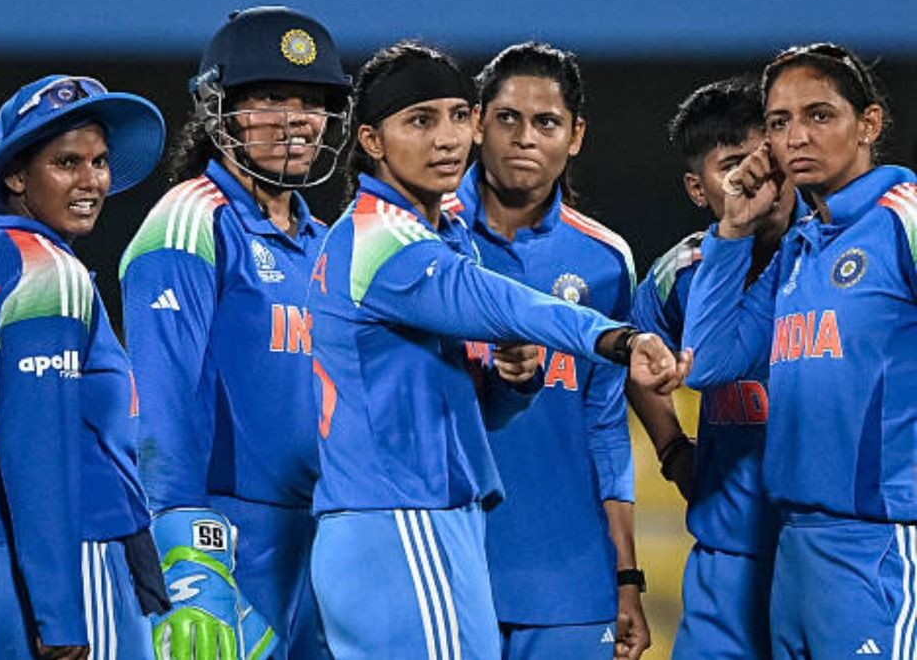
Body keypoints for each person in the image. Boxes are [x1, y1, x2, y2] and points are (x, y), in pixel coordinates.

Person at [306, 40, 691, 660]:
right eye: (421, 121)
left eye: (457, 116)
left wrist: (511, 380)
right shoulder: (381, 235)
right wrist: (616, 337)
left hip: (456, 527)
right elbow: (495, 300)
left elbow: (492, 404)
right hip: (403, 515)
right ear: (372, 140)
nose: (447, 139)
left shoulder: (443, 232)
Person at [119, 6, 352, 660]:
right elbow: (160, 402)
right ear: (217, 109)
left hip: (325, 540)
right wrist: (186, 553)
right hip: (230, 541)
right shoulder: (190, 219)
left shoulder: (333, 247)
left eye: (312, 101)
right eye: (269, 97)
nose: (295, 118)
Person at [681, 43, 917, 658]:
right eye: (781, 123)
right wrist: (731, 230)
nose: (797, 137)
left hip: (880, 545)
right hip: (795, 548)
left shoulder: (904, 220)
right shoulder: (800, 247)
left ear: (868, 124)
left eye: (820, 115)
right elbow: (708, 362)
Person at [0, 74, 168, 660]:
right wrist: (59, 612)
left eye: (98, 161)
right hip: (65, 562)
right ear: (16, 175)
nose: (90, 180)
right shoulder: (50, 275)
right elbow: (38, 450)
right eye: (67, 161)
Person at [450, 42, 647, 659]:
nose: (525, 138)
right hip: (445, 563)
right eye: (507, 118)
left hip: (569, 581)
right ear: (478, 123)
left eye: (547, 122)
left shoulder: (605, 261)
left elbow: (605, 425)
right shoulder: (418, 237)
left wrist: (626, 577)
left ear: (576, 135)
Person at [626, 76, 789, 659]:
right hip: (725, 557)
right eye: (731, 168)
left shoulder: (836, 256)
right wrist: (673, 449)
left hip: (826, 546)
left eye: (764, 160)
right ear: (698, 188)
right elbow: (635, 357)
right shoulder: (682, 273)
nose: (755, 181)